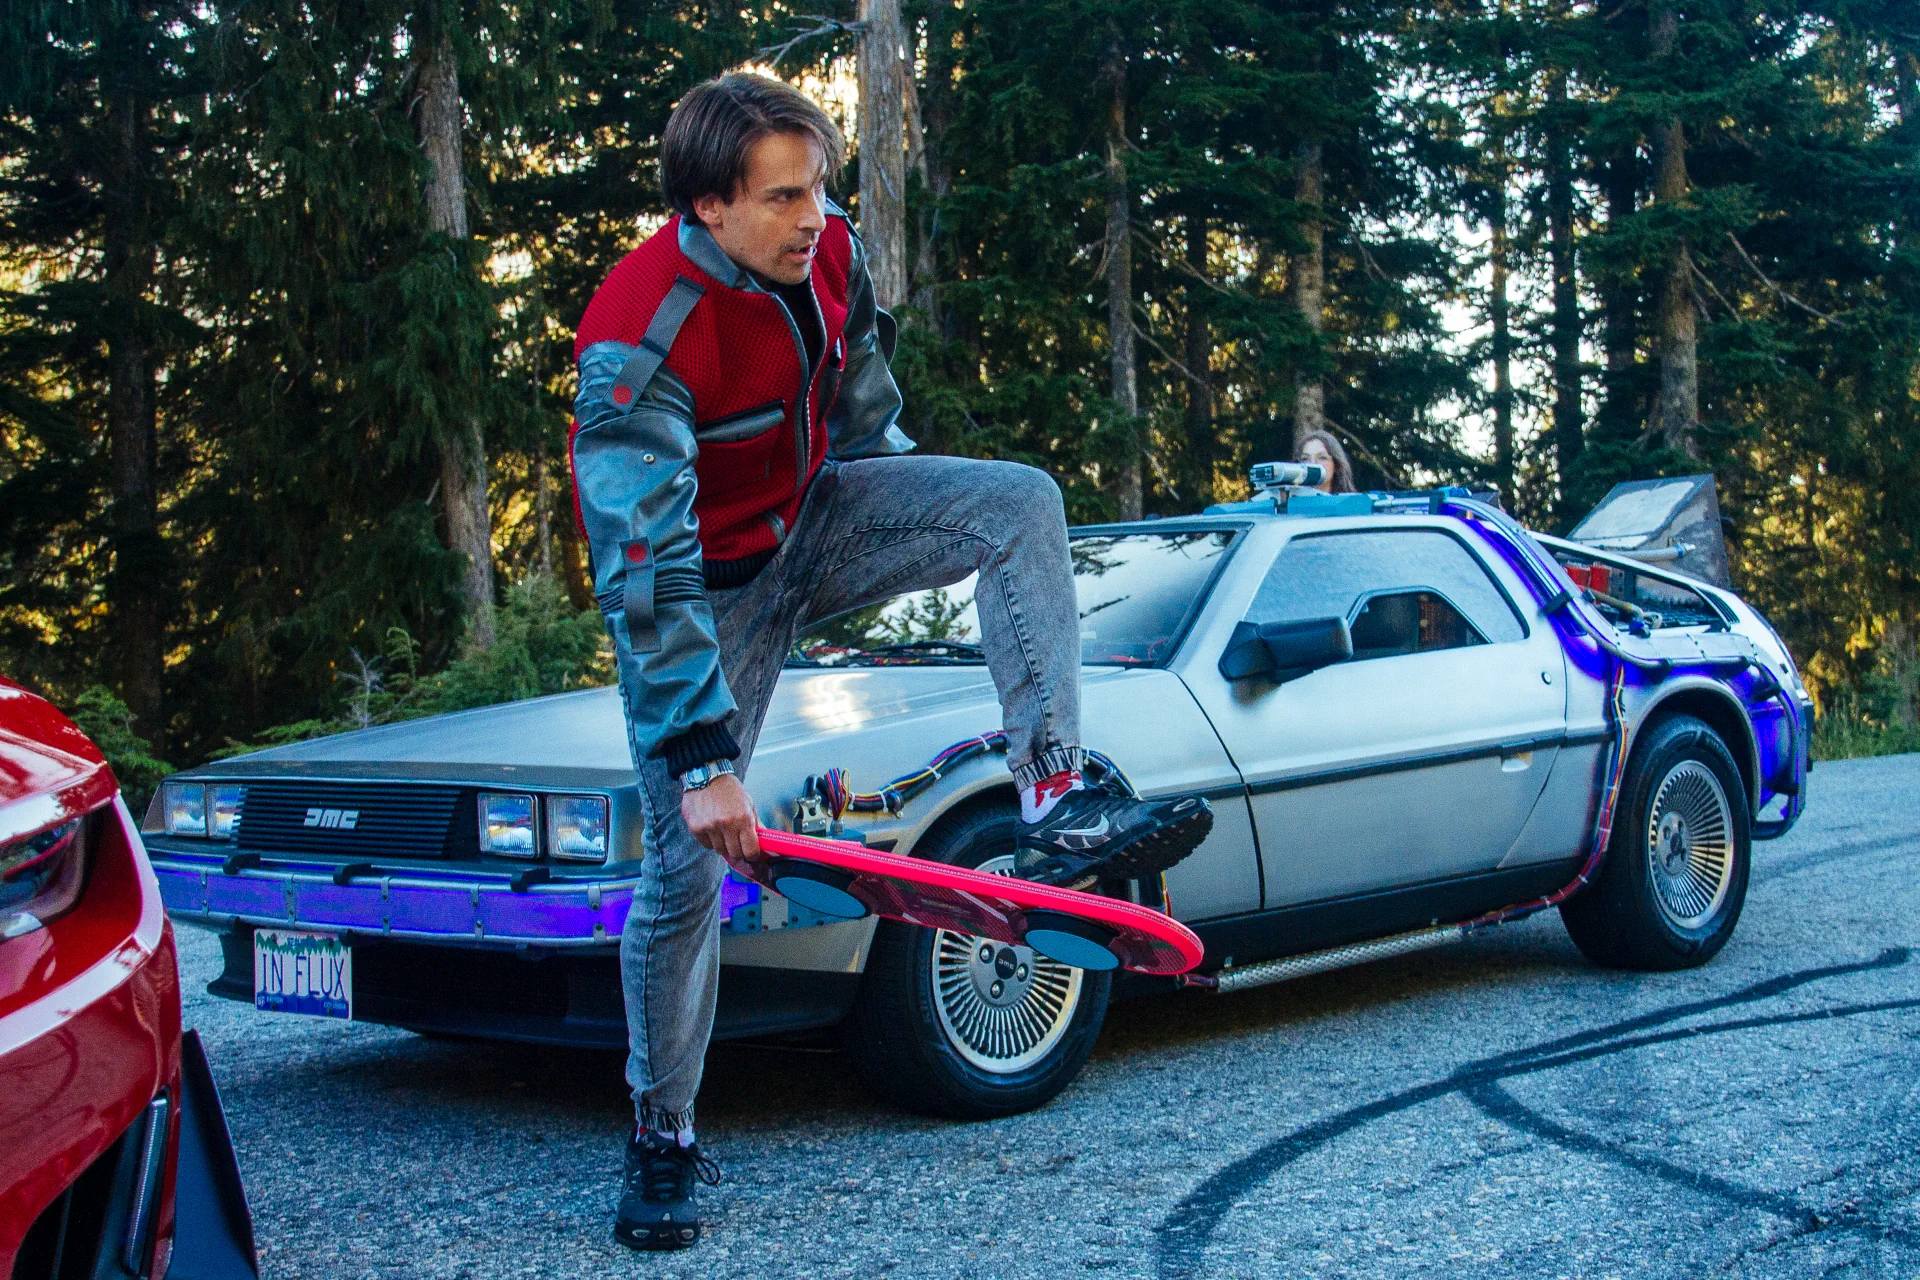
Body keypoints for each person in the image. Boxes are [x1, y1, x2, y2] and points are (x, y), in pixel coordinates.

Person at [569, 73, 1214, 1252]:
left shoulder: (833, 254)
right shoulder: (637, 330)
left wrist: (902, 538)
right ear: (711, 209)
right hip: (707, 592)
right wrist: (703, 754)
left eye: (819, 187)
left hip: (820, 514)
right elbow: (642, 566)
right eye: (784, 198)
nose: (814, 215)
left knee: (1018, 503)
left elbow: (863, 413)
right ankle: (663, 1132)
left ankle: (1057, 794)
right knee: (681, 874)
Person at [1296, 429, 1356, 494]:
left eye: (1322, 457)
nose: (1312, 463)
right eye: (1305, 458)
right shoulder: (1287, 502)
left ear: (1336, 465)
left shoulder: (1353, 502)